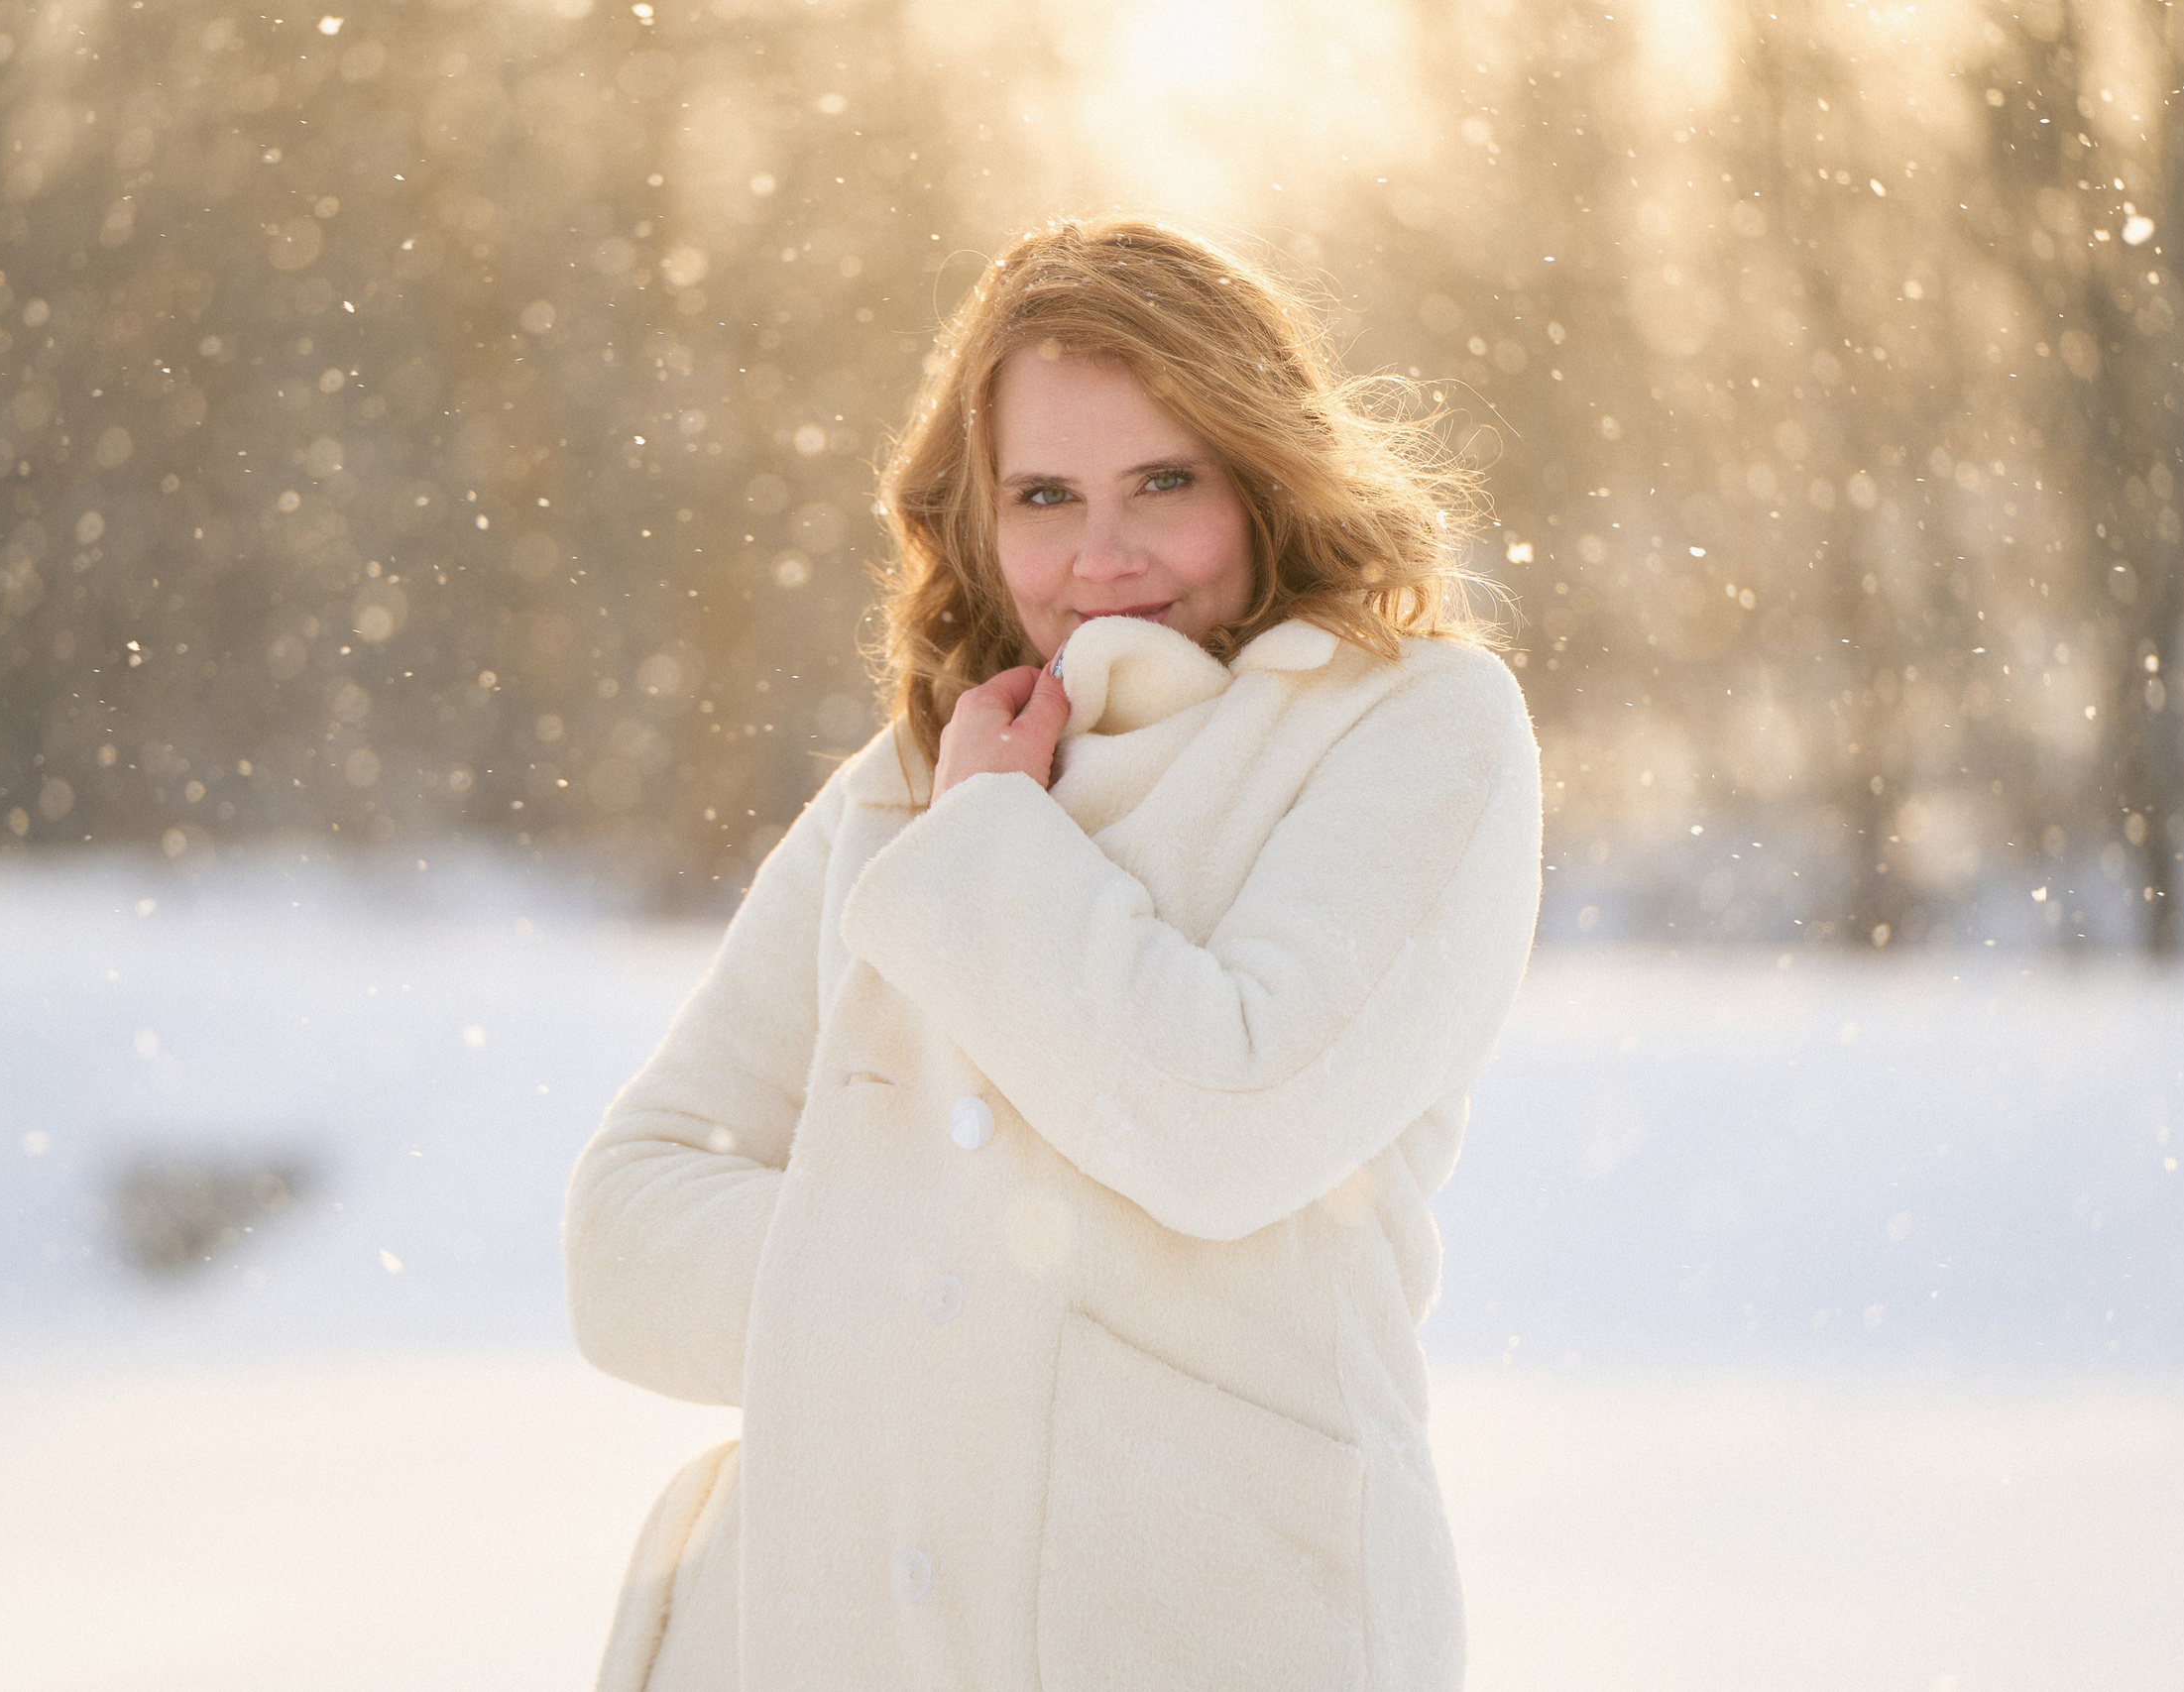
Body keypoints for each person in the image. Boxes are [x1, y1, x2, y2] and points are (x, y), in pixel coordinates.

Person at [563, 215, 1544, 1691]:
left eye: (1164, 480)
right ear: (975, 516)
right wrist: (945, 1267)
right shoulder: (910, 782)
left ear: (1265, 476)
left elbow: (1230, 1120)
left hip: (1210, 1627)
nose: (1101, 557)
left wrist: (990, 853)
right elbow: (625, 1237)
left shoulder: (1408, 731)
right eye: (1042, 494)